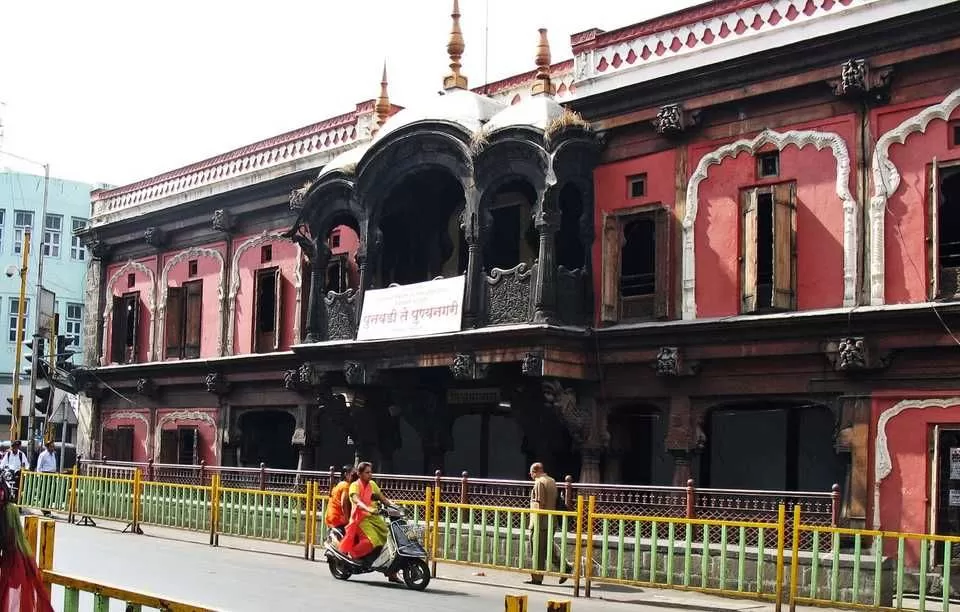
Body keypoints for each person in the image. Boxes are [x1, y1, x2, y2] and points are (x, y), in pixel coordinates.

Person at [339, 461, 401, 583]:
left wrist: (396, 507)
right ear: (360, 474)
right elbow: (357, 501)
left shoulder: (372, 484)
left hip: (373, 517)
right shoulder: (354, 486)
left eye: (370, 472)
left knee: (389, 537)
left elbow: (383, 498)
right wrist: (368, 508)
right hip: (360, 519)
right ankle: (353, 555)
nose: (370, 474)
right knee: (374, 540)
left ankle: (391, 572)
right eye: (367, 472)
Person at [526, 462, 573, 585]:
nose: (530, 475)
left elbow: (540, 503)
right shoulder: (552, 481)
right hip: (552, 521)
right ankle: (565, 568)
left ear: (535, 471)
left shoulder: (539, 482)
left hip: (540, 522)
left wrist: (535, 522)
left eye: (531, 473)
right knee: (548, 549)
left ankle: (537, 577)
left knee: (537, 550)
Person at [325, 465, 357, 535]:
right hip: (338, 518)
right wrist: (347, 519)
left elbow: (330, 492)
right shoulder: (346, 486)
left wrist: (332, 475)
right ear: (346, 474)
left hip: (330, 516)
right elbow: (343, 503)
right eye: (352, 474)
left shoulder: (339, 484)